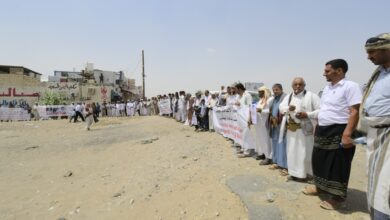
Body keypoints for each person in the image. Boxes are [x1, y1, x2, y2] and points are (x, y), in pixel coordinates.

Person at [302, 59, 362, 210]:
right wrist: (318, 124)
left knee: (338, 164)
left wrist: (347, 134)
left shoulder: (351, 86)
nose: (324, 74)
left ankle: (338, 197)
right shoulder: (328, 88)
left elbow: (354, 111)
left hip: (340, 130)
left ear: (339, 71)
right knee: (319, 160)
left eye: (327, 71)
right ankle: (321, 187)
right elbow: (324, 110)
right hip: (323, 130)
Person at [360, 33, 390, 219]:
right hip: (376, 133)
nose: (369, 56)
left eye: (372, 52)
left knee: (385, 184)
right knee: (374, 178)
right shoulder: (379, 73)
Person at [279, 77, 320, 181]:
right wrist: (289, 109)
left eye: (300, 84)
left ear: (304, 85)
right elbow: (281, 108)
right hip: (291, 130)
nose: (297, 86)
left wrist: (307, 114)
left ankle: (306, 173)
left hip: (305, 130)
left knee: (305, 152)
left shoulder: (312, 96)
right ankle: (294, 173)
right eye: (295, 84)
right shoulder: (288, 97)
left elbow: (321, 110)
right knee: (292, 151)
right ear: (292, 86)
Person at [268, 84, 288, 175]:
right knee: (275, 143)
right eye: (274, 90)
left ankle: (284, 165)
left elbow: (285, 110)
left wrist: (279, 119)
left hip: (282, 125)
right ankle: (276, 162)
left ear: (281, 89)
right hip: (274, 124)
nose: (275, 91)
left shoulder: (285, 97)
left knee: (283, 144)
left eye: (277, 90)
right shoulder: (274, 99)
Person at [253, 86, 273, 165]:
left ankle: (268, 157)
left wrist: (261, 110)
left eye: (260, 92)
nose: (258, 93)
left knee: (266, 140)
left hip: (265, 123)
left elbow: (270, 111)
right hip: (258, 123)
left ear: (264, 92)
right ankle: (263, 154)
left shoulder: (269, 100)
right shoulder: (260, 100)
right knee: (260, 139)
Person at [235, 83, 254, 158]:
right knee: (243, 134)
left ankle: (247, 152)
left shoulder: (247, 95)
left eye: (236, 89)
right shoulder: (239, 96)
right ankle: (243, 148)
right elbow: (242, 106)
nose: (235, 91)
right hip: (241, 118)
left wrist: (250, 118)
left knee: (247, 134)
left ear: (239, 89)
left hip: (246, 118)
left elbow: (250, 107)